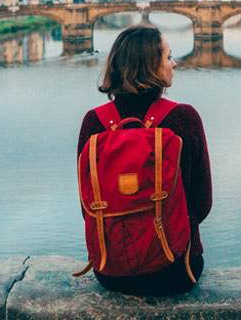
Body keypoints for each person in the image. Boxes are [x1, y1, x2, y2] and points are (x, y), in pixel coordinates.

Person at [77, 24, 212, 295]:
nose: (174, 63)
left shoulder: (94, 122)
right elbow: (203, 203)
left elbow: (87, 207)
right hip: (177, 269)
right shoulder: (185, 118)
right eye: (168, 57)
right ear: (152, 67)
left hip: (111, 271)